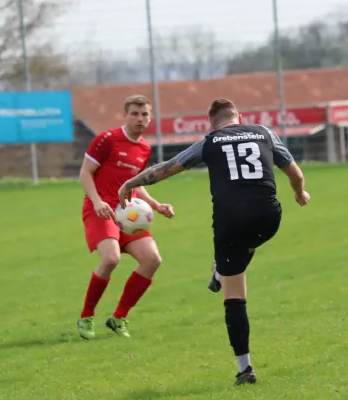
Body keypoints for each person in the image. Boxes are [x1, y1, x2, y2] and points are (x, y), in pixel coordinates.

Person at [117, 98, 310, 386]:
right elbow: (296, 173)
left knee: (234, 294)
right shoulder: (264, 133)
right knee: (250, 242)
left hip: (230, 222)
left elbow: (167, 168)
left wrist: (130, 183)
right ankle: (222, 269)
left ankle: (245, 369)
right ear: (239, 117)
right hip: (268, 216)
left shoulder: (210, 141)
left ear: (212, 123)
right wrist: (299, 193)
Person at [77, 94, 174, 340]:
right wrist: (98, 202)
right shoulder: (107, 139)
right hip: (100, 209)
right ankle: (86, 316)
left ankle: (118, 317)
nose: (140, 118)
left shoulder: (143, 148)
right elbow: (85, 174)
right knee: (111, 259)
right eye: (135, 114)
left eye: (144, 115)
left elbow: (135, 184)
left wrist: (156, 204)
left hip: (128, 213)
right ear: (125, 115)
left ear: (150, 118)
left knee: (152, 260)